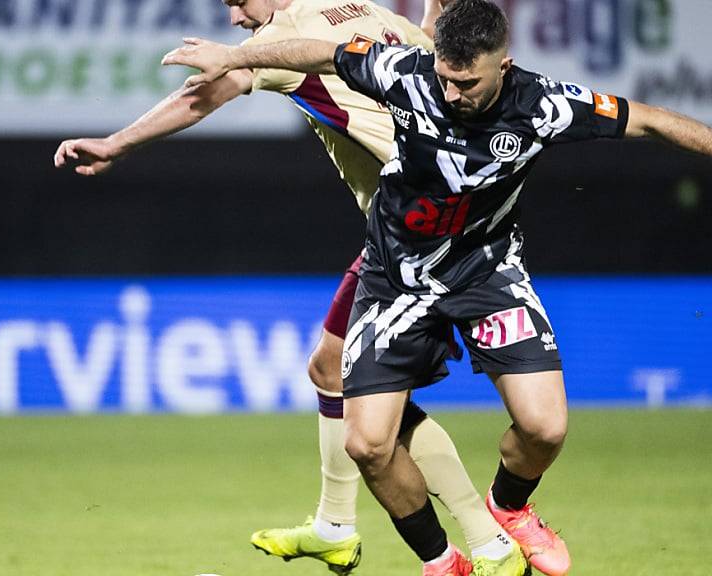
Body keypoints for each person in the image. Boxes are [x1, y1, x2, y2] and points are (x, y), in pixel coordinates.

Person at [161, 0, 712, 574]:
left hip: (487, 273)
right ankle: (444, 562)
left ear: (503, 67)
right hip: (397, 281)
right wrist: (235, 55)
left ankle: (509, 507)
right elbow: (318, 51)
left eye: (466, 83)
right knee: (366, 443)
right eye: (445, 76)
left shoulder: (546, 104)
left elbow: (650, 120)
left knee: (546, 429)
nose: (451, 93)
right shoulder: (408, 74)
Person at [54, 1, 527, 575]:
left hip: (414, 240)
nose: (235, 17)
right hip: (441, 224)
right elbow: (429, 61)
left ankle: (485, 543)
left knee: (366, 398)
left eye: (237, 0)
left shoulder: (286, 34)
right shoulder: (365, 11)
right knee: (334, 370)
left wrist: (117, 143)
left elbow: (204, 92)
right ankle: (340, 524)